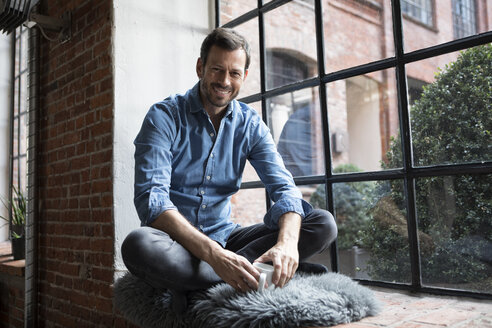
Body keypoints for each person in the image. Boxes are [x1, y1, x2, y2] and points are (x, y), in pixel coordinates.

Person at [121, 27, 337, 314]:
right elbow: (152, 201)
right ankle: (249, 271)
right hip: (174, 243)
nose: (224, 81)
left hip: (227, 237)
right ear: (201, 67)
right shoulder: (164, 117)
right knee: (138, 245)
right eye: (217, 70)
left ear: (244, 77)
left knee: (321, 223)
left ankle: (213, 277)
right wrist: (214, 255)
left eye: (234, 73)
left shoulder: (250, 125)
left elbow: (285, 189)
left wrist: (286, 245)